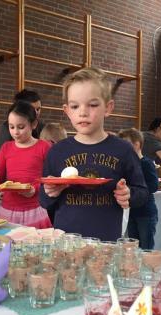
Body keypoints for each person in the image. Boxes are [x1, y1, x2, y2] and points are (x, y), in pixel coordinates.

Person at [39, 67, 148, 241]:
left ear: (108, 107)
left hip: (107, 243)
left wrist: (129, 195)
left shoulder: (123, 150)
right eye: (75, 106)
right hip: (66, 243)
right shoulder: (57, 152)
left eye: (93, 104)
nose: (83, 112)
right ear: (67, 111)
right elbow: (44, 201)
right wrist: (50, 192)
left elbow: (142, 192)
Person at [0, 101, 52, 229]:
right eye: (11, 127)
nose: (15, 132)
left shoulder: (44, 147)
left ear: (33, 124)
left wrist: (35, 189)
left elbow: (50, 178)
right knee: (8, 246)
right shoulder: (6, 147)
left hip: (35, 209)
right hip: (8, 209)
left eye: (21, 127)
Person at [119, 128, 158, 249]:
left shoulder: (146, 163)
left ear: (136, 144)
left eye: (125, 144)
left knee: (146, 246)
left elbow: (153, 186)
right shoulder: (128, 164)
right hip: (132, 211)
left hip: (145, 212)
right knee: (133, 245)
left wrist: (134, 190)